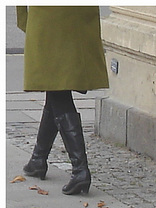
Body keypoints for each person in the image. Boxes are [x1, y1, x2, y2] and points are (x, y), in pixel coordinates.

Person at [17, 6, 109, 195]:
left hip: (48, 15)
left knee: (57, 86)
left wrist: (23, 17)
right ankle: (38, 159)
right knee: (57, 84)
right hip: (79, 16)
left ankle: (80, 170)